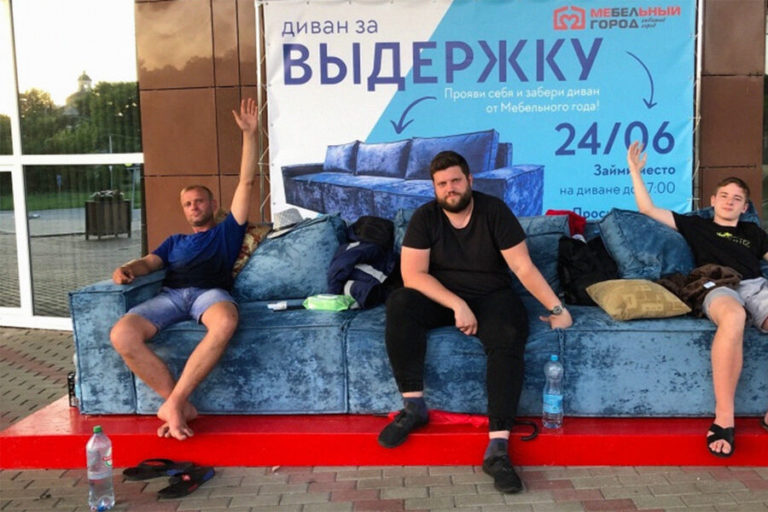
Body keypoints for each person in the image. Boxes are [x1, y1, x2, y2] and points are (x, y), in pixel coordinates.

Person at [378, 150, 573, 493]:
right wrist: (457, 305)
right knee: (400, 302)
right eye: (442, 184)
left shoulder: (494, 211)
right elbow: (413, 275)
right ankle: (414, 406)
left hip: (491, 295)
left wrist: (558, 309)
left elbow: (522, 267)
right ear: (434, 188)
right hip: (443, 297)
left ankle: (497, 447)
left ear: (469, 180)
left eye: (455, 180)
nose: (449, 189)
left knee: (509, 330)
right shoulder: (425, 217)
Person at [109, 98, 259, 441]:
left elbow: (246, 183)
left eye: (199, 201)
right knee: (121, 334)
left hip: (210, 294)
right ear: (184, 210)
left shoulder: (228, 231)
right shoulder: (174, 241)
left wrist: (250, 135)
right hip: (171, 296)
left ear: (213, 205)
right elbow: (149, 263)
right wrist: (127, 268)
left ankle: (174, 404)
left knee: (226, 321)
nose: (194, 207)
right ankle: (178, 404)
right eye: (188, 204)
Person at [627, 141, 768, 457]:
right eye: (725, 196)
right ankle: (724, 418)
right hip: (718, 284)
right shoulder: (696, 225)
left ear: (745, 207)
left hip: (756, 286)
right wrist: (635, 171)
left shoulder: (754, 234)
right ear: (713, 200)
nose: (730, 201)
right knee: (734, 316)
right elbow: (647, 209)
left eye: (737, 199)